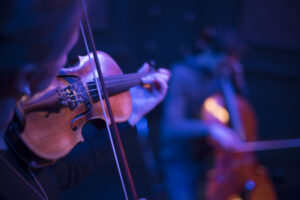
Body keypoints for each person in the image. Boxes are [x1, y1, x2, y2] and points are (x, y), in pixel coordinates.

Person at [0, 0, 170, 199]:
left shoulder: (25, 136)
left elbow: (60, 173)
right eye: (63, 53)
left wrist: (131, 111)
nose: (64, 63)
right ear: (25, 76)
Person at [160, 27, 245, 200]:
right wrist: (211, 129)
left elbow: (242, 113)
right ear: (209, 52)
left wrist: (239, 83)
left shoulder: (221, 76)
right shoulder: (181, 74)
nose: (225, 70)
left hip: (211, 160)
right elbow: (171, 126)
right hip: (181, 159)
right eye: (223, 64)